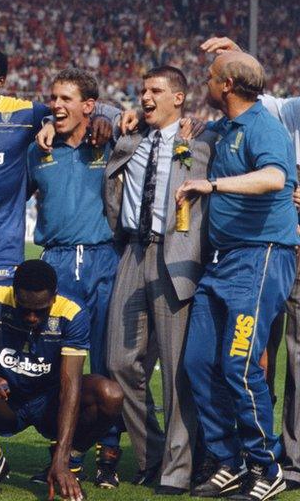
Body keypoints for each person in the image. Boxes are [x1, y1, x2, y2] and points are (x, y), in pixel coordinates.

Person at [0, 47, 114, 337]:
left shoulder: (25, 115)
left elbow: (88, 109)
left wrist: (102, 117)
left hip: (2, 251)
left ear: (0, 81)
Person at [176, 51, 298, 501]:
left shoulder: (265, 127)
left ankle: (267, 467)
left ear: (227, 84)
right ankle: (227, 461)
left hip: (262, 256)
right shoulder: (225, 128)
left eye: (209, 77)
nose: (204, 83)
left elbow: (271, 178)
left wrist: (211, 185)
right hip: (223, 261)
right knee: (197, 363)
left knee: (240, 364)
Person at [97, 66, 213, 495]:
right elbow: (94, 109)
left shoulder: (201, 140)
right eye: (142, 91)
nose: (145, 97)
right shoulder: (128, 138)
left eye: (155, 91)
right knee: (120, 361)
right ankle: (154, 453)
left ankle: (178, 469)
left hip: (176, 256)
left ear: (179, 98)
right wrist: (118, 111)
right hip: (132, 250)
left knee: (177, 368)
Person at [0, 260, 125, 500]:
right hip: (3, 401)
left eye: (40, 310)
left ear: (53, 298)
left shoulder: (73, 311)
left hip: (49, 405)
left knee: (110, 394)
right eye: (25, 309)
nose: (32, 317)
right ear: (14, 293)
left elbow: (70, 387)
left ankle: (69, 462)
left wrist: (62, 459)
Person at [25, 68, 123, 488]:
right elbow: (18, 195)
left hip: (104, 260)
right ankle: (66, 447)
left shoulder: (110, 140)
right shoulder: (39, 150)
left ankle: (109, 451)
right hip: (58, 263)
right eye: (53, 98)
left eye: (66, 98)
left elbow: (133, 117)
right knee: (57, 360)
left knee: (105, 357)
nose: (56, 105)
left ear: (88, 106)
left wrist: (108, 116)